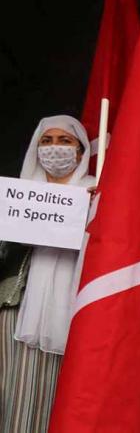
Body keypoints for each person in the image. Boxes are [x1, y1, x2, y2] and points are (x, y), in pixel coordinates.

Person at [0, 115, 95, 432]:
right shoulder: (16, 196)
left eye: (65, 141)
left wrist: (96, 212)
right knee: (13, 394)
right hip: (16, 310)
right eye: (47, 141)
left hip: (74, 313)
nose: (55, 148)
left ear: (80, 153)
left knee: (60, 401)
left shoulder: (94, 194)